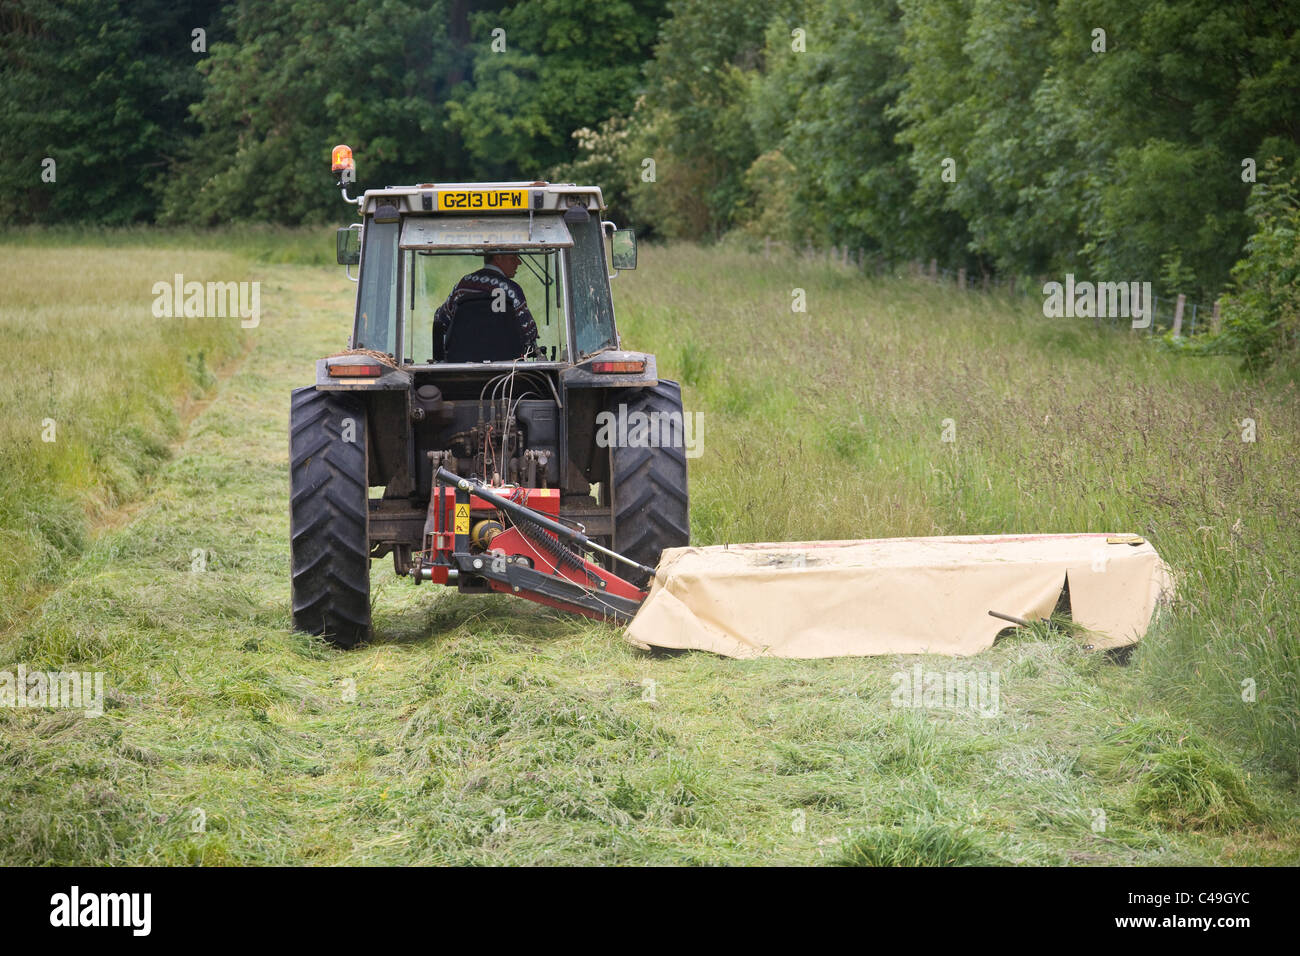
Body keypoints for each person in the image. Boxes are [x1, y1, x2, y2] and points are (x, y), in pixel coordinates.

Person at [432, 252, 541, 362]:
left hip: (460, 368)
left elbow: (440, 320)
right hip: (507, 371)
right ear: (498, 257)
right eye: (513, 257)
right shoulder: (511, 290)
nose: (519, 262)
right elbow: (529, 333)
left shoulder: (462, 286)